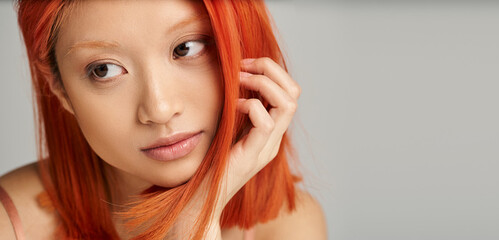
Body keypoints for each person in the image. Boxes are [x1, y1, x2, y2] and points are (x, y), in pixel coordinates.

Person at [0, 0, 326, 239]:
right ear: (60, 89)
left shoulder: (289, 227)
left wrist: (197, 219)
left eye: (185, 48)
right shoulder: (10, 225)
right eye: (104, 70)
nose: (159, 109)